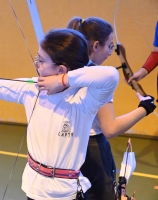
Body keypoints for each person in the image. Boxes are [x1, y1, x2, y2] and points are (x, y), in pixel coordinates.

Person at [0, 28, 119, 200]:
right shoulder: (32, 89)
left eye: (41, 61)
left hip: (65, 194)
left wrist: (63, 80)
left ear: (61, 69)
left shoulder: (84, 98)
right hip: (35, 189)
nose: (37, 64)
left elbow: (111, 75)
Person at [36, 17, 156, 200]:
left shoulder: (68, 71)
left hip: (68, 148)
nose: (110, 52)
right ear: (95, 45)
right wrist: (145, 108)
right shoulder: (98, 79)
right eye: (109, 46)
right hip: (93, 150)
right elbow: (110, 128)